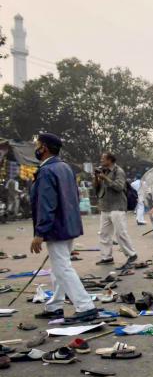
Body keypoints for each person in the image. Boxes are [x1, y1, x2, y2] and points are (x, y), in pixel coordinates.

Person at [29, 133, 97, 322]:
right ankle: (55, 306)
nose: (36, 148)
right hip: (68, 224)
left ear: (45, 148)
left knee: (62, 267)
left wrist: (40, 232)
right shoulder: (65, 167)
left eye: (38, 145)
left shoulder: (47, 171)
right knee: (58, 266)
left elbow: (46, 203)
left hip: (56, 226)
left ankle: (85, 306)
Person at [94, 152, 138, 267]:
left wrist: (105, 178)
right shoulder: (103, 171)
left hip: (117, 206)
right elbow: (97, 189)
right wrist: (96, 178)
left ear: (110, 160)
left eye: (103, 159)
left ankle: (132, 254)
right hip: (105, 206)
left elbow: (119, 187)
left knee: (120, 233)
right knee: (104, 234)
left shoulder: (119, 171)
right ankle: (106, 257)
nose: (101, 160)